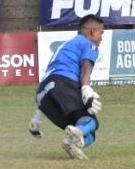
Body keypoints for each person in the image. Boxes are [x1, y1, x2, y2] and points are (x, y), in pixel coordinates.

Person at [30, 14, 104, 160]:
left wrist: (36, 119)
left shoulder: (65, 46)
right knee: (91, 122)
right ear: (93, 31)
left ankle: (71, 142)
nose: (101, 38)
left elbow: (50, 86)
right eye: (101, 33)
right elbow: (86, 69)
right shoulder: (89, 44)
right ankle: (76, 134)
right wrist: (86, 89)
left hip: (42, 94)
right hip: (63, 83)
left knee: (90, 133)